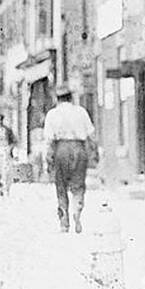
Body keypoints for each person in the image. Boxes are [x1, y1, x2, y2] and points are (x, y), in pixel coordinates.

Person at [42, 85, 96, 233]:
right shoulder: (81, 112)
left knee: (61, 186)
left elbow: (48, 139)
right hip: (79, 148)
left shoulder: (52, 114)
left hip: (61, 148)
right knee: (79, 185)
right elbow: (91, 134)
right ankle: (77, 210)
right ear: (71, 98)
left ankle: (64, 219)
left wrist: (48, 158)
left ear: (57, 99)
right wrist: (94, 151)